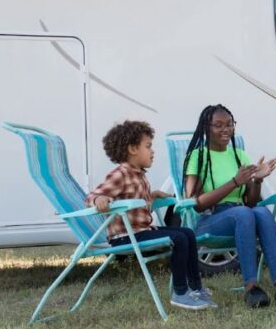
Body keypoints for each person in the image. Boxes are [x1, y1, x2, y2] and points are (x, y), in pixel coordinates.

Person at [87, 120, 215, 311]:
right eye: (148, 146)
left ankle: (196, 288)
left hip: (142, 230)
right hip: (126, 237)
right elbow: (93, 195)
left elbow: (136, 200)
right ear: (132, 149)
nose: (152, 151)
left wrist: (152, 195)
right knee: (179, 238)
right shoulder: (120, 174)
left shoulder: (139, 174)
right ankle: (180, 293)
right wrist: (99, 199)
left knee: (187, 232)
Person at [183, 104, 276, 308]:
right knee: (245, 213)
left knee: (261, 211)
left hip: (242, 214)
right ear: (206, 128)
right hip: (211, 219)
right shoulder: (198, 157)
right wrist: (234, 182)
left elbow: (251, 201)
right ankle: (251, 287)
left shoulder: (239, 155)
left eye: (229, 124)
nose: (226, 130)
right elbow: (195, 203)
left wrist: (257, 180)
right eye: (218, 125)